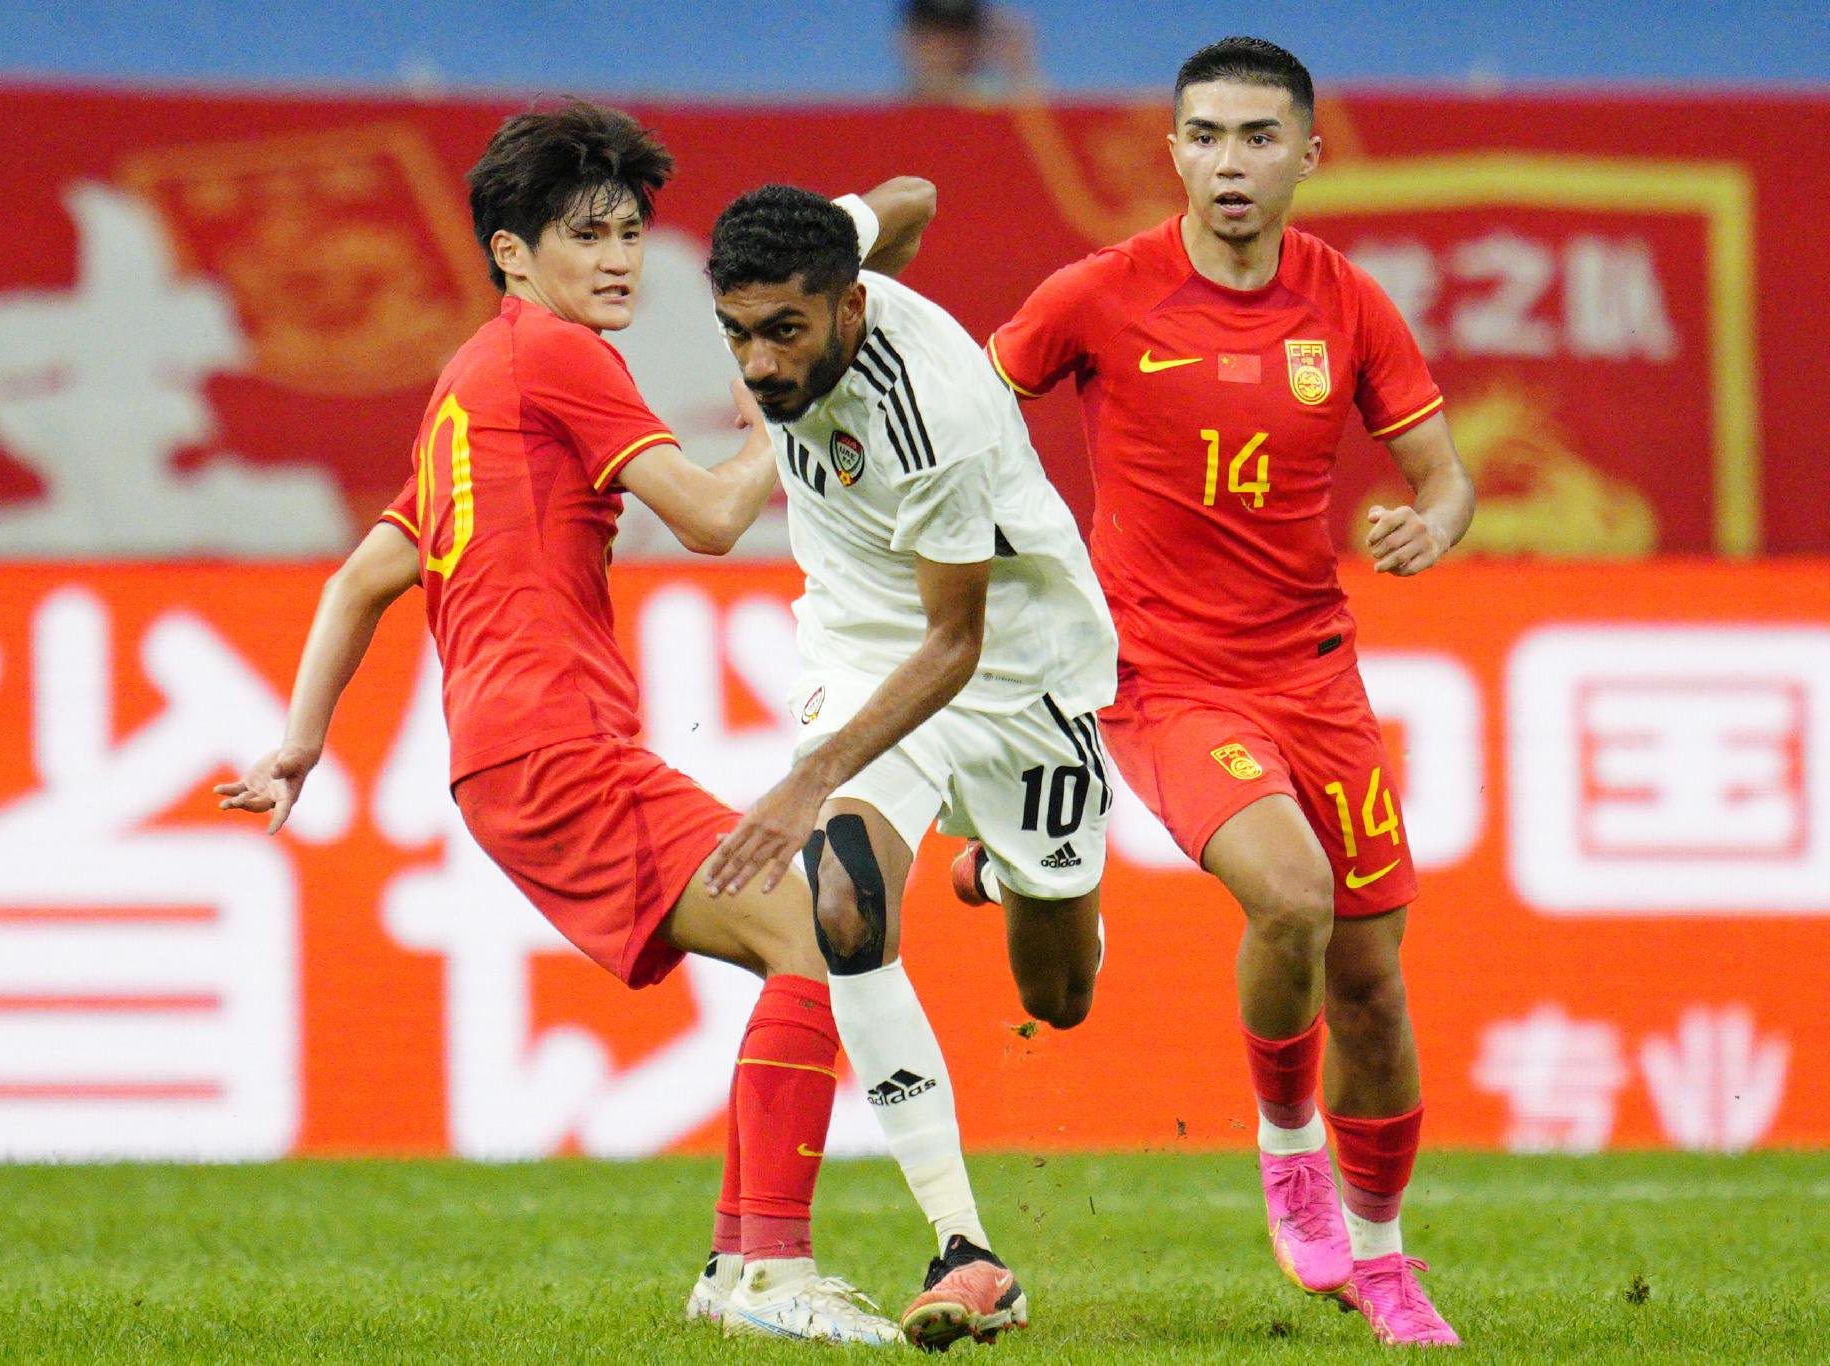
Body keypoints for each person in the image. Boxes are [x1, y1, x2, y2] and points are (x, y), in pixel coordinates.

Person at [216, 101, 930, 1347]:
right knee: (816, 934)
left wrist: (300, 740)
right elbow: (709, 519)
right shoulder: (552, 356)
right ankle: (764, 1269)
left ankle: (741, 1266)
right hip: (550, 752)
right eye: (585, 232)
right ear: (510, 254)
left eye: (631, 231)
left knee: (812, 931)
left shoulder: (466, 384)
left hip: (515, 760)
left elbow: (360, 578)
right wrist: (799, 386)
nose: (617, 257)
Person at [986, 36, 1473, 1349]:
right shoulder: (1098, 296)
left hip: (1315, 672)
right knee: (1295, 895)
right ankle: (1285, 1143)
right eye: (1205, 135)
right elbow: (971, 414)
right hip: (1162, 678)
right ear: (1175, 153)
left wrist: (1435, 522)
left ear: (1310, 153)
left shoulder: (1351, 304)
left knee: (1372, 980)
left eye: (1259, 136)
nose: (1230, 161)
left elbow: (1445, 474)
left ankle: (1381, 1257)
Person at [704, 182, 1118, 1350]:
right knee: (844, 901)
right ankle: (964, 1245)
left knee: (1059, 994)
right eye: (736, 332)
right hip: (855, 636)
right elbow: (914, 195)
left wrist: (796, 781)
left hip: (1016, 669)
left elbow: (954, 644)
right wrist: (822, 785)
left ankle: (997, 873)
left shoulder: (926, 412)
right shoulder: (823, 261)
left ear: (848, 309)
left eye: (784, 331)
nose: (759, 363)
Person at [898, 0, 1038, 103]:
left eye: (960, 32)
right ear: (908, 39)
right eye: (934, 33)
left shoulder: (997, 109)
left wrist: (1021, 72)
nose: (947, 46)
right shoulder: (887, 119)